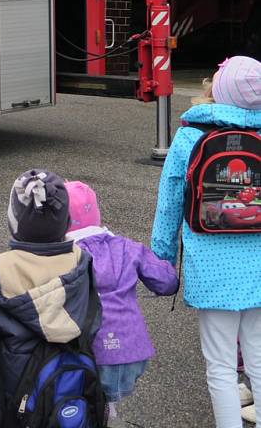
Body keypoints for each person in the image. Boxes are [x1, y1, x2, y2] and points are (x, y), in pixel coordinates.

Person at [151, 55, 261, 428]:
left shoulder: (190, 136)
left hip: (211, 268)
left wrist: (161, 259)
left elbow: (169, 202)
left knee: (220, 366)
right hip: (260, 269)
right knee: (260, 362)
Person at [0, 168, 102, 428]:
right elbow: (94, 320)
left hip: (12, 394)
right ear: (66, 222)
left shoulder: (0, 270)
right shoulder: (81, 263)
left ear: (13, 222)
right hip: (69, 387)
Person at [65, 180, 178, 428]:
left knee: (87, 402)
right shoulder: (127, 247)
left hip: (90, 353)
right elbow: (166, 282)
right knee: (105, 401)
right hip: (132, 352)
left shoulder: (64, 255)